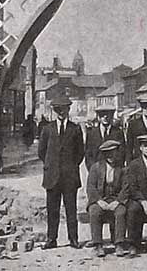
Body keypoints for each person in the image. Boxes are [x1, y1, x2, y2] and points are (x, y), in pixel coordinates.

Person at [37, 94, 84, 250]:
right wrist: (52, 166)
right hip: (52, 177)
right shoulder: (47, 129)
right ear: (54, 111)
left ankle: (73, 239)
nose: (61, 112)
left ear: (68, 109)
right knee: (52, 210)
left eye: (63, 109)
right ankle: (51, 239)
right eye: (58, 109)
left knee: (71, 210)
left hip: (69, 177)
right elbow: (42, 152)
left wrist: (69, 167)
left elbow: (80, 153)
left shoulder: (75, 129)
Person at [86, 139, 128, 258]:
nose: (111, 156)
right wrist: (99, 201)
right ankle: (98, 244)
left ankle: (119, 243)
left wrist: (118, 201)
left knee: (121, 212)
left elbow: (126, 188)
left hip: (115, 199)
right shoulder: (96, 167)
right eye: (108, 153)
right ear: (104, 155)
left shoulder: (122, 168)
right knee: (94, 211)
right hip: (100, 199)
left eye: (113, 153)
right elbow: (90, 187)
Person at [85, 105, 125, 170]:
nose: (105, 117)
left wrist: (116, 169)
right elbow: (88, 154)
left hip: (113, 170)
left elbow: (122, 153)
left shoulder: (118, 132)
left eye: (108, 115)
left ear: (112, 116)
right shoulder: (92, 133)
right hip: (97, 171)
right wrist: (92, 169)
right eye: (102, 115)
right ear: (98, 117)